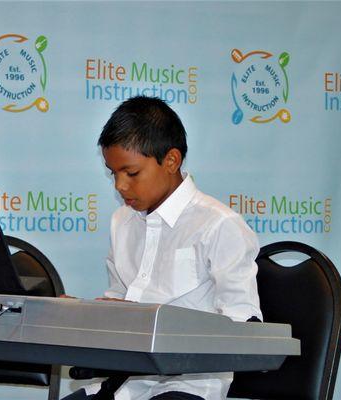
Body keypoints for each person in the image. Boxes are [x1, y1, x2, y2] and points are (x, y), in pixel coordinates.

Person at [64, 96, 262, 400]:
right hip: (123, 386)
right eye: (112, 172)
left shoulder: (219, 225)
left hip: (188, 387)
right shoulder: (122, 221)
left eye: (131, 173)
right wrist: (85, 314)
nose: (119, 185)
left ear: (171, 160)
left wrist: (155, 321)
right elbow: (120, 300)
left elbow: (242, 327)